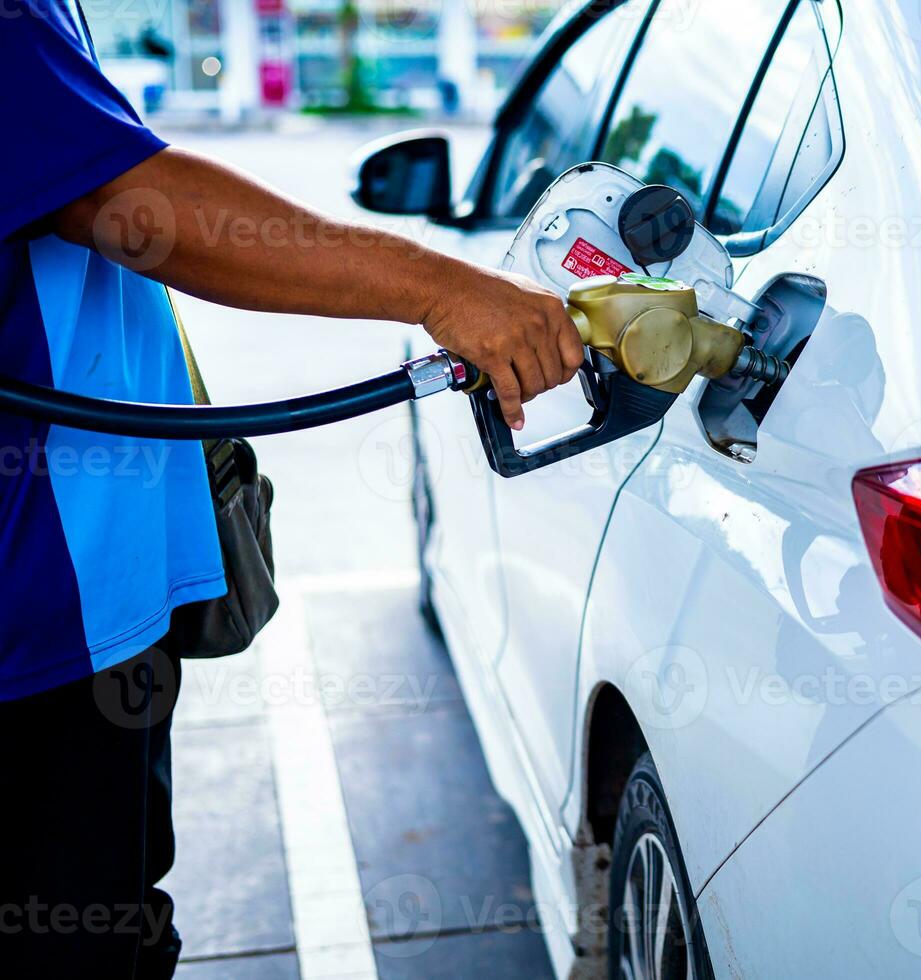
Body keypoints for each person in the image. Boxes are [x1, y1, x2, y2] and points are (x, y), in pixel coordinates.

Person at [0, 2, 583, 976]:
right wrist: (444, 289)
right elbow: (132, 205)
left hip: (90, 595)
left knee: (120, 918)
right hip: (40, 617)